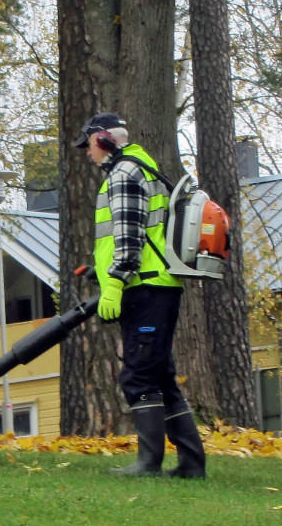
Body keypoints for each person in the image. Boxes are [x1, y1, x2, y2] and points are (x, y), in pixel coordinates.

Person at [73, 112, 206, 478]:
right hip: (153, 285)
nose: (87, 154)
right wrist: (100, 269)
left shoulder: (124, 174)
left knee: (139, 377)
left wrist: (114, 283)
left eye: (88, 146)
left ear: (102, 140)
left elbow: (130, 237)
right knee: (160, 376)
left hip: (144, 288)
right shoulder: (143, 169)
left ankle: (149, 463)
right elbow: (138, 235)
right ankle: (192, 465)